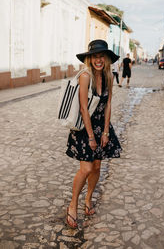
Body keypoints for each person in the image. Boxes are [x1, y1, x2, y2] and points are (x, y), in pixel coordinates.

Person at [65, 39, 122, 228]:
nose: (98, 60)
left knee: (97, 167)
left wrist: (105, 131)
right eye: (95, 56)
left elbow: (108, 104)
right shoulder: (85, 76)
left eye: (102, 56)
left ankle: (88, 199)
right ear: (90, 59)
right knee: (86, 169)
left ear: (106, 59)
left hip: (101, 127)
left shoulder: (109, 76)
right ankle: (72, 205)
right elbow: (83, 108)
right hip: (84, 127)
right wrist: (91, 136)